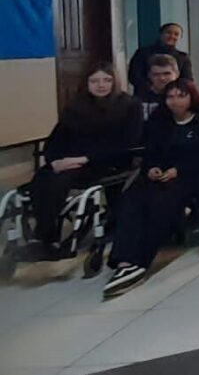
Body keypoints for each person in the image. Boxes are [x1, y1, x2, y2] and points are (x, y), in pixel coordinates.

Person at [102, 79, 199, 297]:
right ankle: (123, 259)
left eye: (181, 96)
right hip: (162, 176)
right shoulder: (159, 122)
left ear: (192, 97)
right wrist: (153, 168)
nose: (175, 101)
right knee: (132, 199)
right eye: (170, 96)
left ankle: (140, 260)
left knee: (163, 202)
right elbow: (151, 153)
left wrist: (180, 169)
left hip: (197, 177)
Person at [24, 63, 143, 261]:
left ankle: (43, 236)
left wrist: (85, 159)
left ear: (115, 82)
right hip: (70, 160)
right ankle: (45, 236)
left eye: (107, 80)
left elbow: (126, 143)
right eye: (94, 81)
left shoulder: (130, 105)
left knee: (58, 182)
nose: (101, 85)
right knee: (43, 178)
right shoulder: (75, 107)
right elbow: (55, 140)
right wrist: (55, 162)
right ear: (86, 83)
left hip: (106, 161)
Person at [127, 22, 192, 92]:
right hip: (145, 96)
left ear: (180, 37)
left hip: (173, 96)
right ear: (161, 34)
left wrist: (172, 91)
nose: (172, 36)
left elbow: (187, 80)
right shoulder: (142, 53)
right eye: (168, 32)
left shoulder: (183, 57)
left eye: (176, 34)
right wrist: (152, 88)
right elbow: (134, 75)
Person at [136, 54, 180, 121]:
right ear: (149, 76)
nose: (162, 78)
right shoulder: (140, 99)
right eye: (156, 74)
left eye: (166, 73)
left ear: (177, 74)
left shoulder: (187, 98)